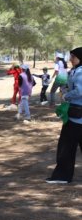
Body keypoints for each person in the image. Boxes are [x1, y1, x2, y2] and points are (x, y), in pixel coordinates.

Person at [46, 47, 82, 184]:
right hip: (75, 115)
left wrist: (66, 95)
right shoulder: (75, 71)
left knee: (66, 147)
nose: (70, 59)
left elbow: (80, 91)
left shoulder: (80, 72)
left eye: (73, 57)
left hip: (76, 116)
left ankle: (62, 176)